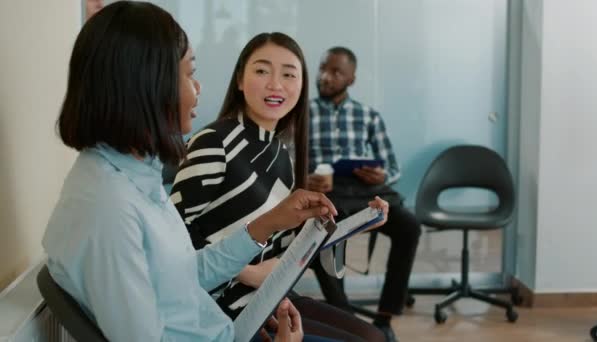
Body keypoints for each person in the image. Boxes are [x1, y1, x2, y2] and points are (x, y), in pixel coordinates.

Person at [42, 2, 339, 341]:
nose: (197, 88)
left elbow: (183, 274)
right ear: (145, 84)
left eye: (289, 74)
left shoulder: (134, 177)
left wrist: (270, 222)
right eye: (188, 74)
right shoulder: (109, 208)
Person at [170, 33, 387, 342]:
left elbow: (283, 251)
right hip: (224, 308)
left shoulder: (281, 153)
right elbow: (172, 236)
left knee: (375, 337)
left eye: (288, 74)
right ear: (241, 80)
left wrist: (354, 226)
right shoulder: (214, 142)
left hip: (272, 296)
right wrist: (248, 272)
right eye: (262, 71)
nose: (276, 84)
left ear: (301, 86)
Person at [307, 46, 422, 342]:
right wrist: (306, 179)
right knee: (322, 227)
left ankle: (385, 317)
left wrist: (382, 175)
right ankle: (343, 315)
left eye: (335, 72)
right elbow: (286, 161)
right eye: (322, 69)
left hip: (364, 191)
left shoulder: (368, 116)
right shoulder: (301, 114)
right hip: (326, 193)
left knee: (409, 226)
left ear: (351, 79)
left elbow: (392, 167)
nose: (325, 77)